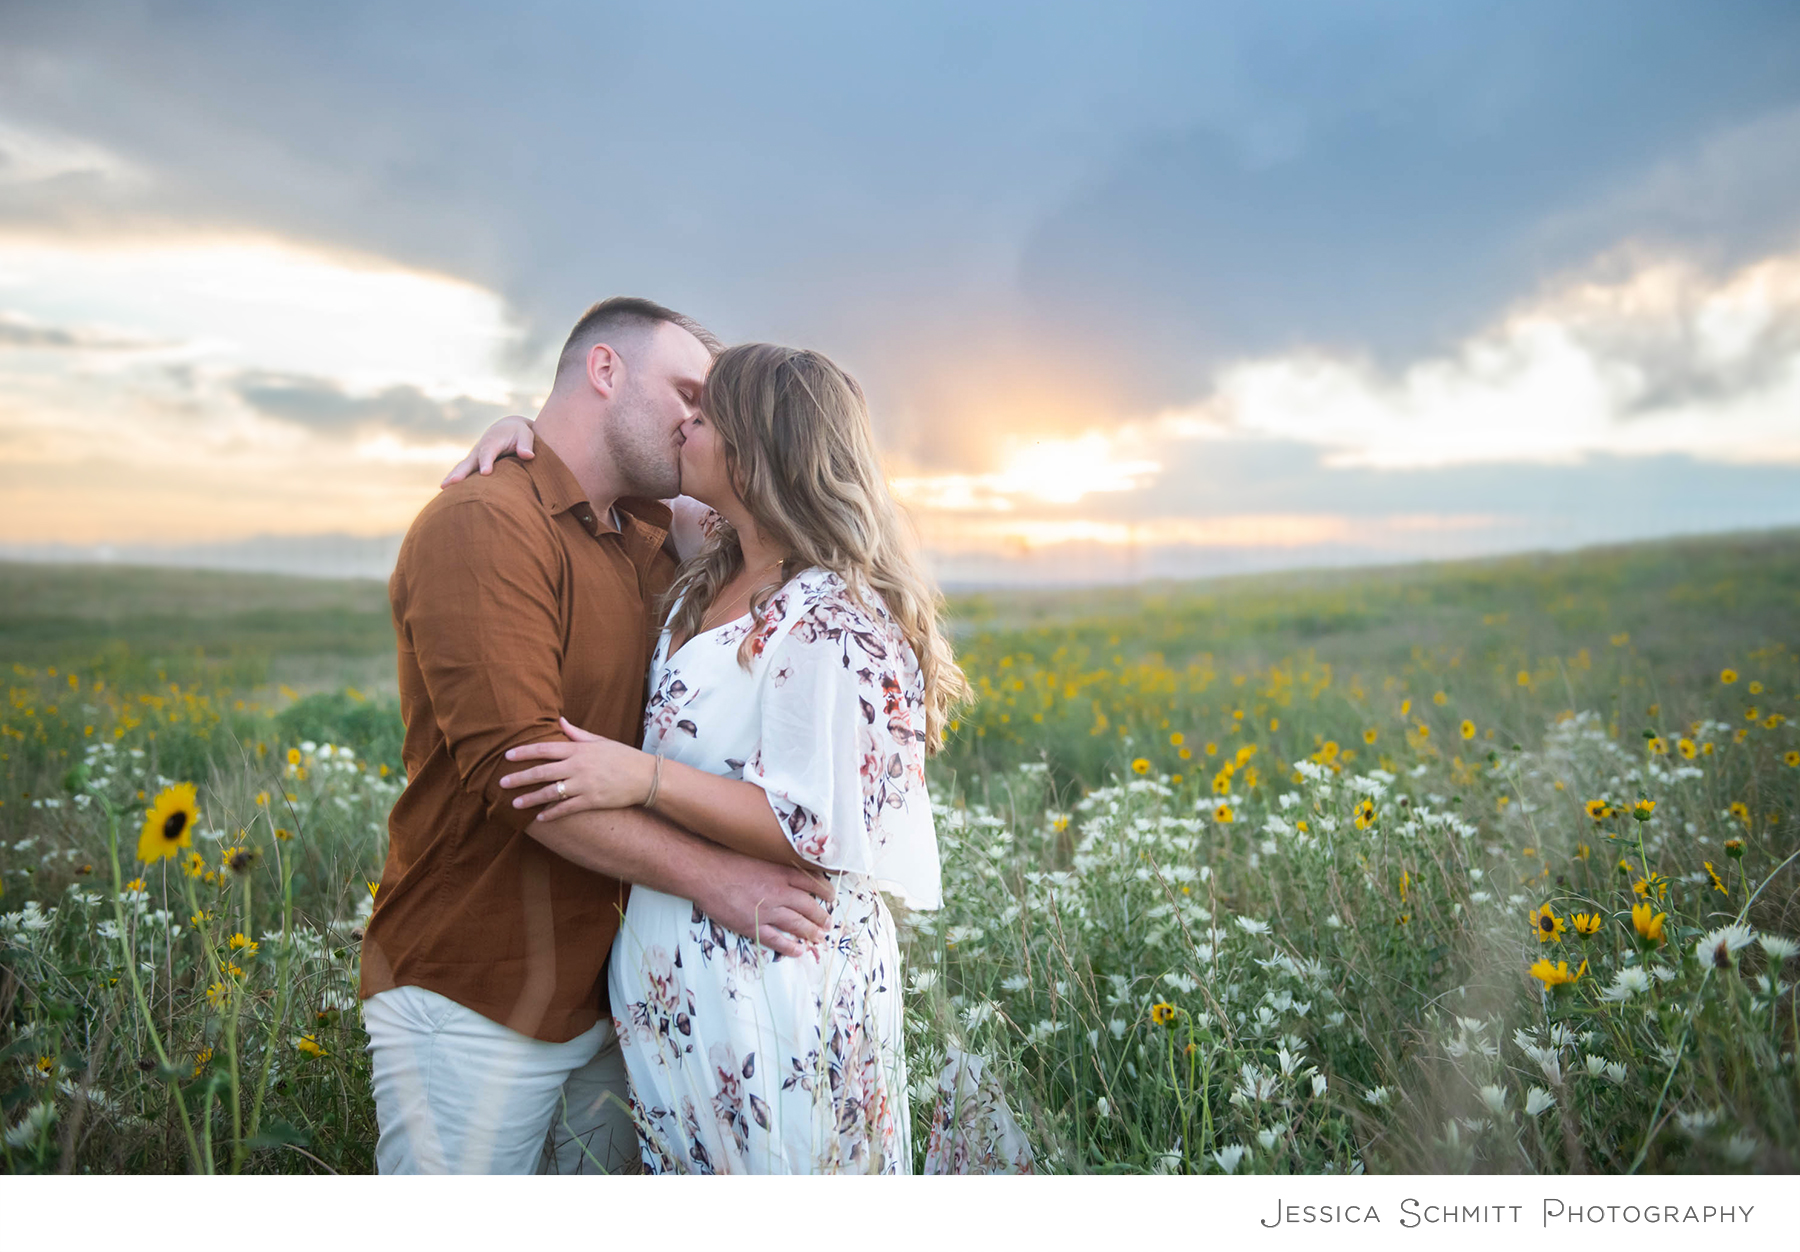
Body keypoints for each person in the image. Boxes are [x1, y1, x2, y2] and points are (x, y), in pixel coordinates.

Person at [467, 343, 970, 1172]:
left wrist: (643, 777)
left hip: (771, 971)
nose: (684, 424)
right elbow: (594, 466)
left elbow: (813, 824)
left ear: (756, 447)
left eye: (705, 414)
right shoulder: (724, 556)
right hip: (684, 977)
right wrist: (526, 432)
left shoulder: (829, 615)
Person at [361, 299, 836, 1175]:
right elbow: (525, 776)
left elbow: (807, 495)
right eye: (687, 391)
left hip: (610, 996)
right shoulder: (484, 524)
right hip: (476, 988)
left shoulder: (648, 538)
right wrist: (718, 879)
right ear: (605, 371)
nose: (699, 420)